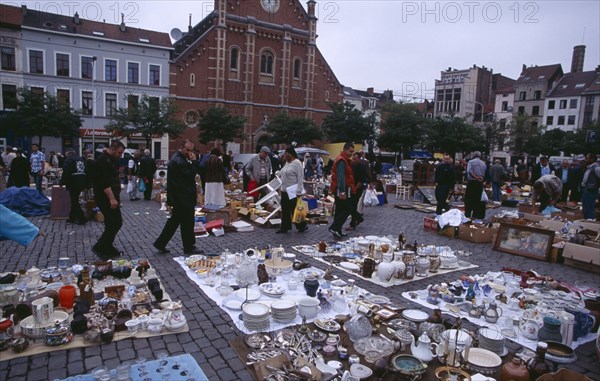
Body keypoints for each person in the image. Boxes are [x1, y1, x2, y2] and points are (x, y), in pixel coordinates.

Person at [153, 140, 203, 255]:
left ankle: (161, 243)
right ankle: (189, 247)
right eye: (187, 150)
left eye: (191, 150)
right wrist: (194, 162)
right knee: (187, 223)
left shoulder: (178, 158)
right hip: (183, 196)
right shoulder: (180, 161)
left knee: (175, 221)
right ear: (181, 147)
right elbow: (190, 175)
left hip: (180, 196)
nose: (189, 153)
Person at [92, 140, 126, 258]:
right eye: (119, 152)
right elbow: (104, 182)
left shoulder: (109, 159)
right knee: (115, 222)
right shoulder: (104, 161)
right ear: (112, 149)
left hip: (110, 195)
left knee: (112, 222)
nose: (120, 155)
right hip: (105, 196)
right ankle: (101, 246)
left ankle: (107, 246)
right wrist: (112, 198)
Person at [277, 146, 308, 234]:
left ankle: (301, 225)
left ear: (291, 154)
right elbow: (282, 172)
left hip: (293, 191)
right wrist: (277, 174)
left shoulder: (297, 163)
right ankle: (284, 227)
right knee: (285, 209)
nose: (285, 155)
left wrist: (299, 190)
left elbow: (300, 177)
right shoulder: (287, 163)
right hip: (284, 190)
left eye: (286, 153)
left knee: (295, 209)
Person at [328, 143, 355, 239]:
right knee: (347, 209)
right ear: (345, 150)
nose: (351, 154)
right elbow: (341, 177)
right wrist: (342, 191)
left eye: (352, 152)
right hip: (343, 189)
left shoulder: (343, 160)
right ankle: (334, 227)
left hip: (341, 188)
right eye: (350, 151)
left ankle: (337, 230)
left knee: (340, 209)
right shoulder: (342, 161)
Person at [60, 149, 87, 224]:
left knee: (74, 200)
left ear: (69, 154)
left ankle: (82, 217)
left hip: (73, 181)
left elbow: (66, 171)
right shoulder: (81, 159)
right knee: (74, 199)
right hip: (82, 180)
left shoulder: (69, 160)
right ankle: (71, 217)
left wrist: (62, 182)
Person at [349, 151, 370, 229]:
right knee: (352, 206)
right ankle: (357, 219)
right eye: (353, 159)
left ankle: (353, 223)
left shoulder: (362, 167)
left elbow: (361, 181)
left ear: (359, 159)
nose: (353, 160)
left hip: (358, 188)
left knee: (353, 206)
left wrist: (354, 189)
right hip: (352, 187)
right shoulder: (352, 166)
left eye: (355, 159)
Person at [464, 151, 487, 220]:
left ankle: (467, 214)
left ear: (474, 155)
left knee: (469, 199)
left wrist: (475, 177)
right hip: (480, 183)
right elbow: (484, 173)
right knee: (477, 200)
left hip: (472, 182)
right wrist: (480, 178)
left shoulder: (471, 162)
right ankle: (475, 215)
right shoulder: (483, 163)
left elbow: (469, 171)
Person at [580, 153, 600, 220]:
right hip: (586, 189)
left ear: (592, 159)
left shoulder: (596, 168)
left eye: (587, 158)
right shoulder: (589, 167)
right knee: (585, 208)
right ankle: (587, 220)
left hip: (591, 191)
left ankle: (590, 221)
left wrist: (595, 186)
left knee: (589, 208)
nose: (586, 160)